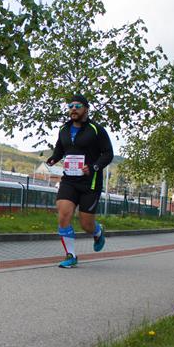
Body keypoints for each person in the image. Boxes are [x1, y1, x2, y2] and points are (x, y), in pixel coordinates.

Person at [45, 94, 114, 268]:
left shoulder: (96, 129)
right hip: (69, 180)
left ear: (86, 109)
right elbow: (60, 149)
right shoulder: (64, 129)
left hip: (90, 182)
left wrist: (94, 167)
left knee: (86, 224)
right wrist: (53, 158)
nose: (73, 109)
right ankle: (71, 255)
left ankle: (97, 232)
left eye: (77, 106)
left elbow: (108, 153)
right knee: (63, 214)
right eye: (70, 106)